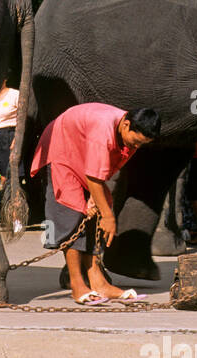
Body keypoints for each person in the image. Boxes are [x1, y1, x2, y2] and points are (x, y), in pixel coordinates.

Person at [29, 103, 160, 305]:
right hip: (61, 149)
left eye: (141, 144)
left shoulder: (129, 140)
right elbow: (93, 177)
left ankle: (98, 281)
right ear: (126, 125)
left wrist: (96, 202)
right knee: (71, 214)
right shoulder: (103, 131)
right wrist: (109, 217)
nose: (136, 147)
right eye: (135, 141)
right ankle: (77, 284)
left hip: (83, 154)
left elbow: (104, 171)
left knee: (99, 208)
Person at [0, 81, 20, 204]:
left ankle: (10, 209)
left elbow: (23, 117)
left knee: (7, 174)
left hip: (9, 134)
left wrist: (17, 139)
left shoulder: (14, 94)